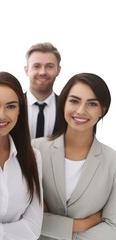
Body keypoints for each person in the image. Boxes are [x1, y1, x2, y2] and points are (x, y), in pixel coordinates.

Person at [32, 73, 116, 239]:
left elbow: (112, 227)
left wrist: (55, 225)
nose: (81, 111)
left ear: (103, 110)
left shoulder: (112, 162)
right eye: (74, 101)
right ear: (63, 104)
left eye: (92, 104)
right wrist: (80, 225)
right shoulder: (35, 150)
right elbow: (24, 216)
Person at [0, 71, 43, 239]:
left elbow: (33, 228)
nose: (1, 115)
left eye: (11, 106)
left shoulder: (34, 157)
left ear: (20, 110)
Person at [24, 42, 61, 138]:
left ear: (58, 70)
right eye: (36, 66)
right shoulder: (12, 105)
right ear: (26, 70)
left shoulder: (67, 107)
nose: (42, 72)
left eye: (49, 66)